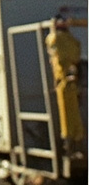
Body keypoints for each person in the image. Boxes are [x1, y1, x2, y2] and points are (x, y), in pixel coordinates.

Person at [46, 16, 85, 157]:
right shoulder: (71, 40)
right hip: (72, 83)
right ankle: (76, 145)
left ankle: (69, 146)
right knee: (74, 116)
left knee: (67, 117)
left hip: (64, 83)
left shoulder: (55, 38)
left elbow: (53, 47)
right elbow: (76, 56)